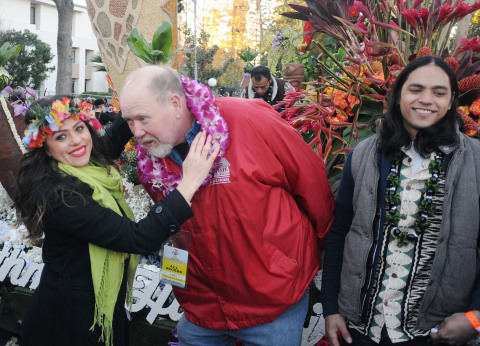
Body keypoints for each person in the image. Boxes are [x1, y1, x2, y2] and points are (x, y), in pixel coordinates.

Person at [119, 65, 334, 345]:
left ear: (174, 104)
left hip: (273, 300)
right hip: (203, 306)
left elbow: (312, 183)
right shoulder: (151, 154)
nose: (136, 132)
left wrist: (294, 259)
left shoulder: (248, 118)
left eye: (142, 118)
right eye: (129, 121)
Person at [15, 96, 219, 346]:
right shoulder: (61, 197)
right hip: (71, 321)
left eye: (79, 128)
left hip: (101, 309)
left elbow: (109, 143)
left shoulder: (87, 166)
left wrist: (138, 103)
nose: (76, 140)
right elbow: (138, 238)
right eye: (61, 136)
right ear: (45, 148)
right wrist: (188, 183)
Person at [321, 55, 480, 346]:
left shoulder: (476, 162)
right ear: (397, 95)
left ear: (452, 100)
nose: (427, 99)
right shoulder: (364, 155)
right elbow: (340, 232)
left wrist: (476, 318)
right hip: (360, 325)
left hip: (436, 331)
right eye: (415, 89)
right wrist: (330, 307)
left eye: (439, 92)